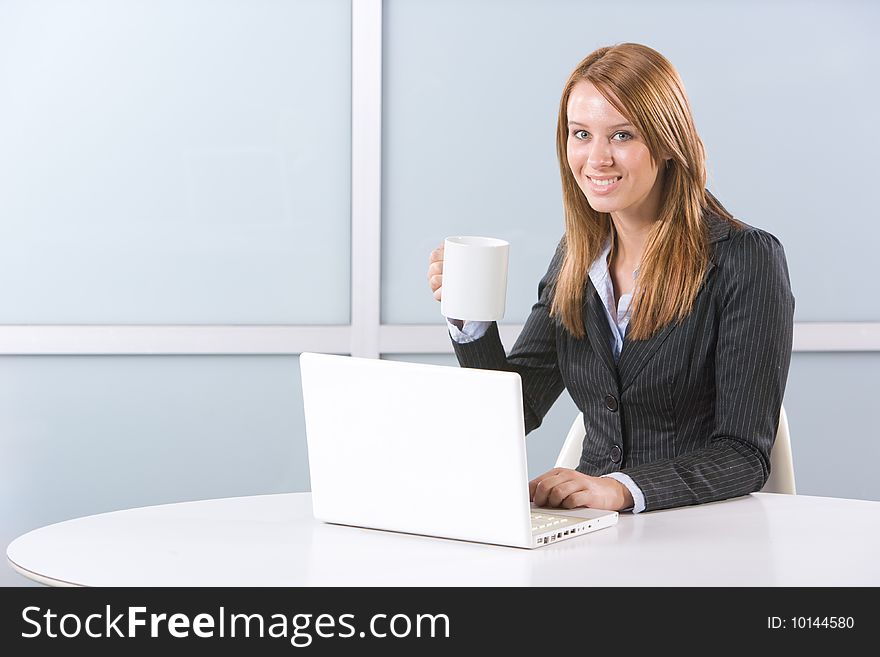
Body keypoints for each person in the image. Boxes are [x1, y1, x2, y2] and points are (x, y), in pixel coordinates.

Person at [426, 43, 794, 513]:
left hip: (700, 529)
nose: (596, 159)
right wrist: (468, 316)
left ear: (665, 144)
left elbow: (743, 455)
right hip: (594, 530)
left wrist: (619, 488)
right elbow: (516, 410)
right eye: (581, 134)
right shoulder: (576, 260)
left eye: (621, 135)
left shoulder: (746, 259)